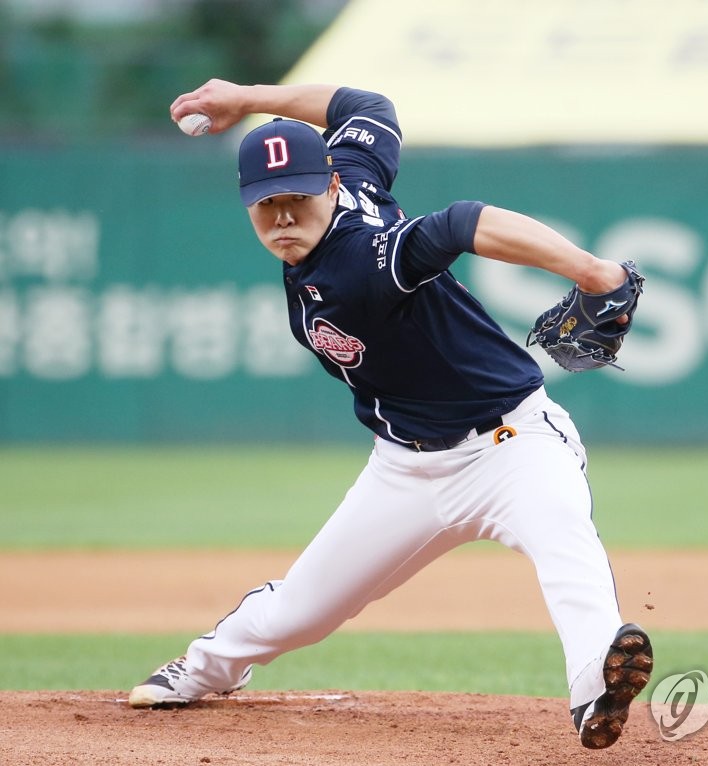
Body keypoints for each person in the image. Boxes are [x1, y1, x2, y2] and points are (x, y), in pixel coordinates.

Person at [128, 79, 653, 750]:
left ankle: (596, 687)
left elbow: (461, 221)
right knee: (302, 611)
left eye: (296, 199)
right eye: (267, 206)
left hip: (513, 447)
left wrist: (591, 272)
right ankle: (202, 670)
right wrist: (248, 96)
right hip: (404, 470)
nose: (284, 217)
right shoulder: (352, 173)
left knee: (566, 552)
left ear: (328, 186)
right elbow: (365, 108)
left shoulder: (358, 266)